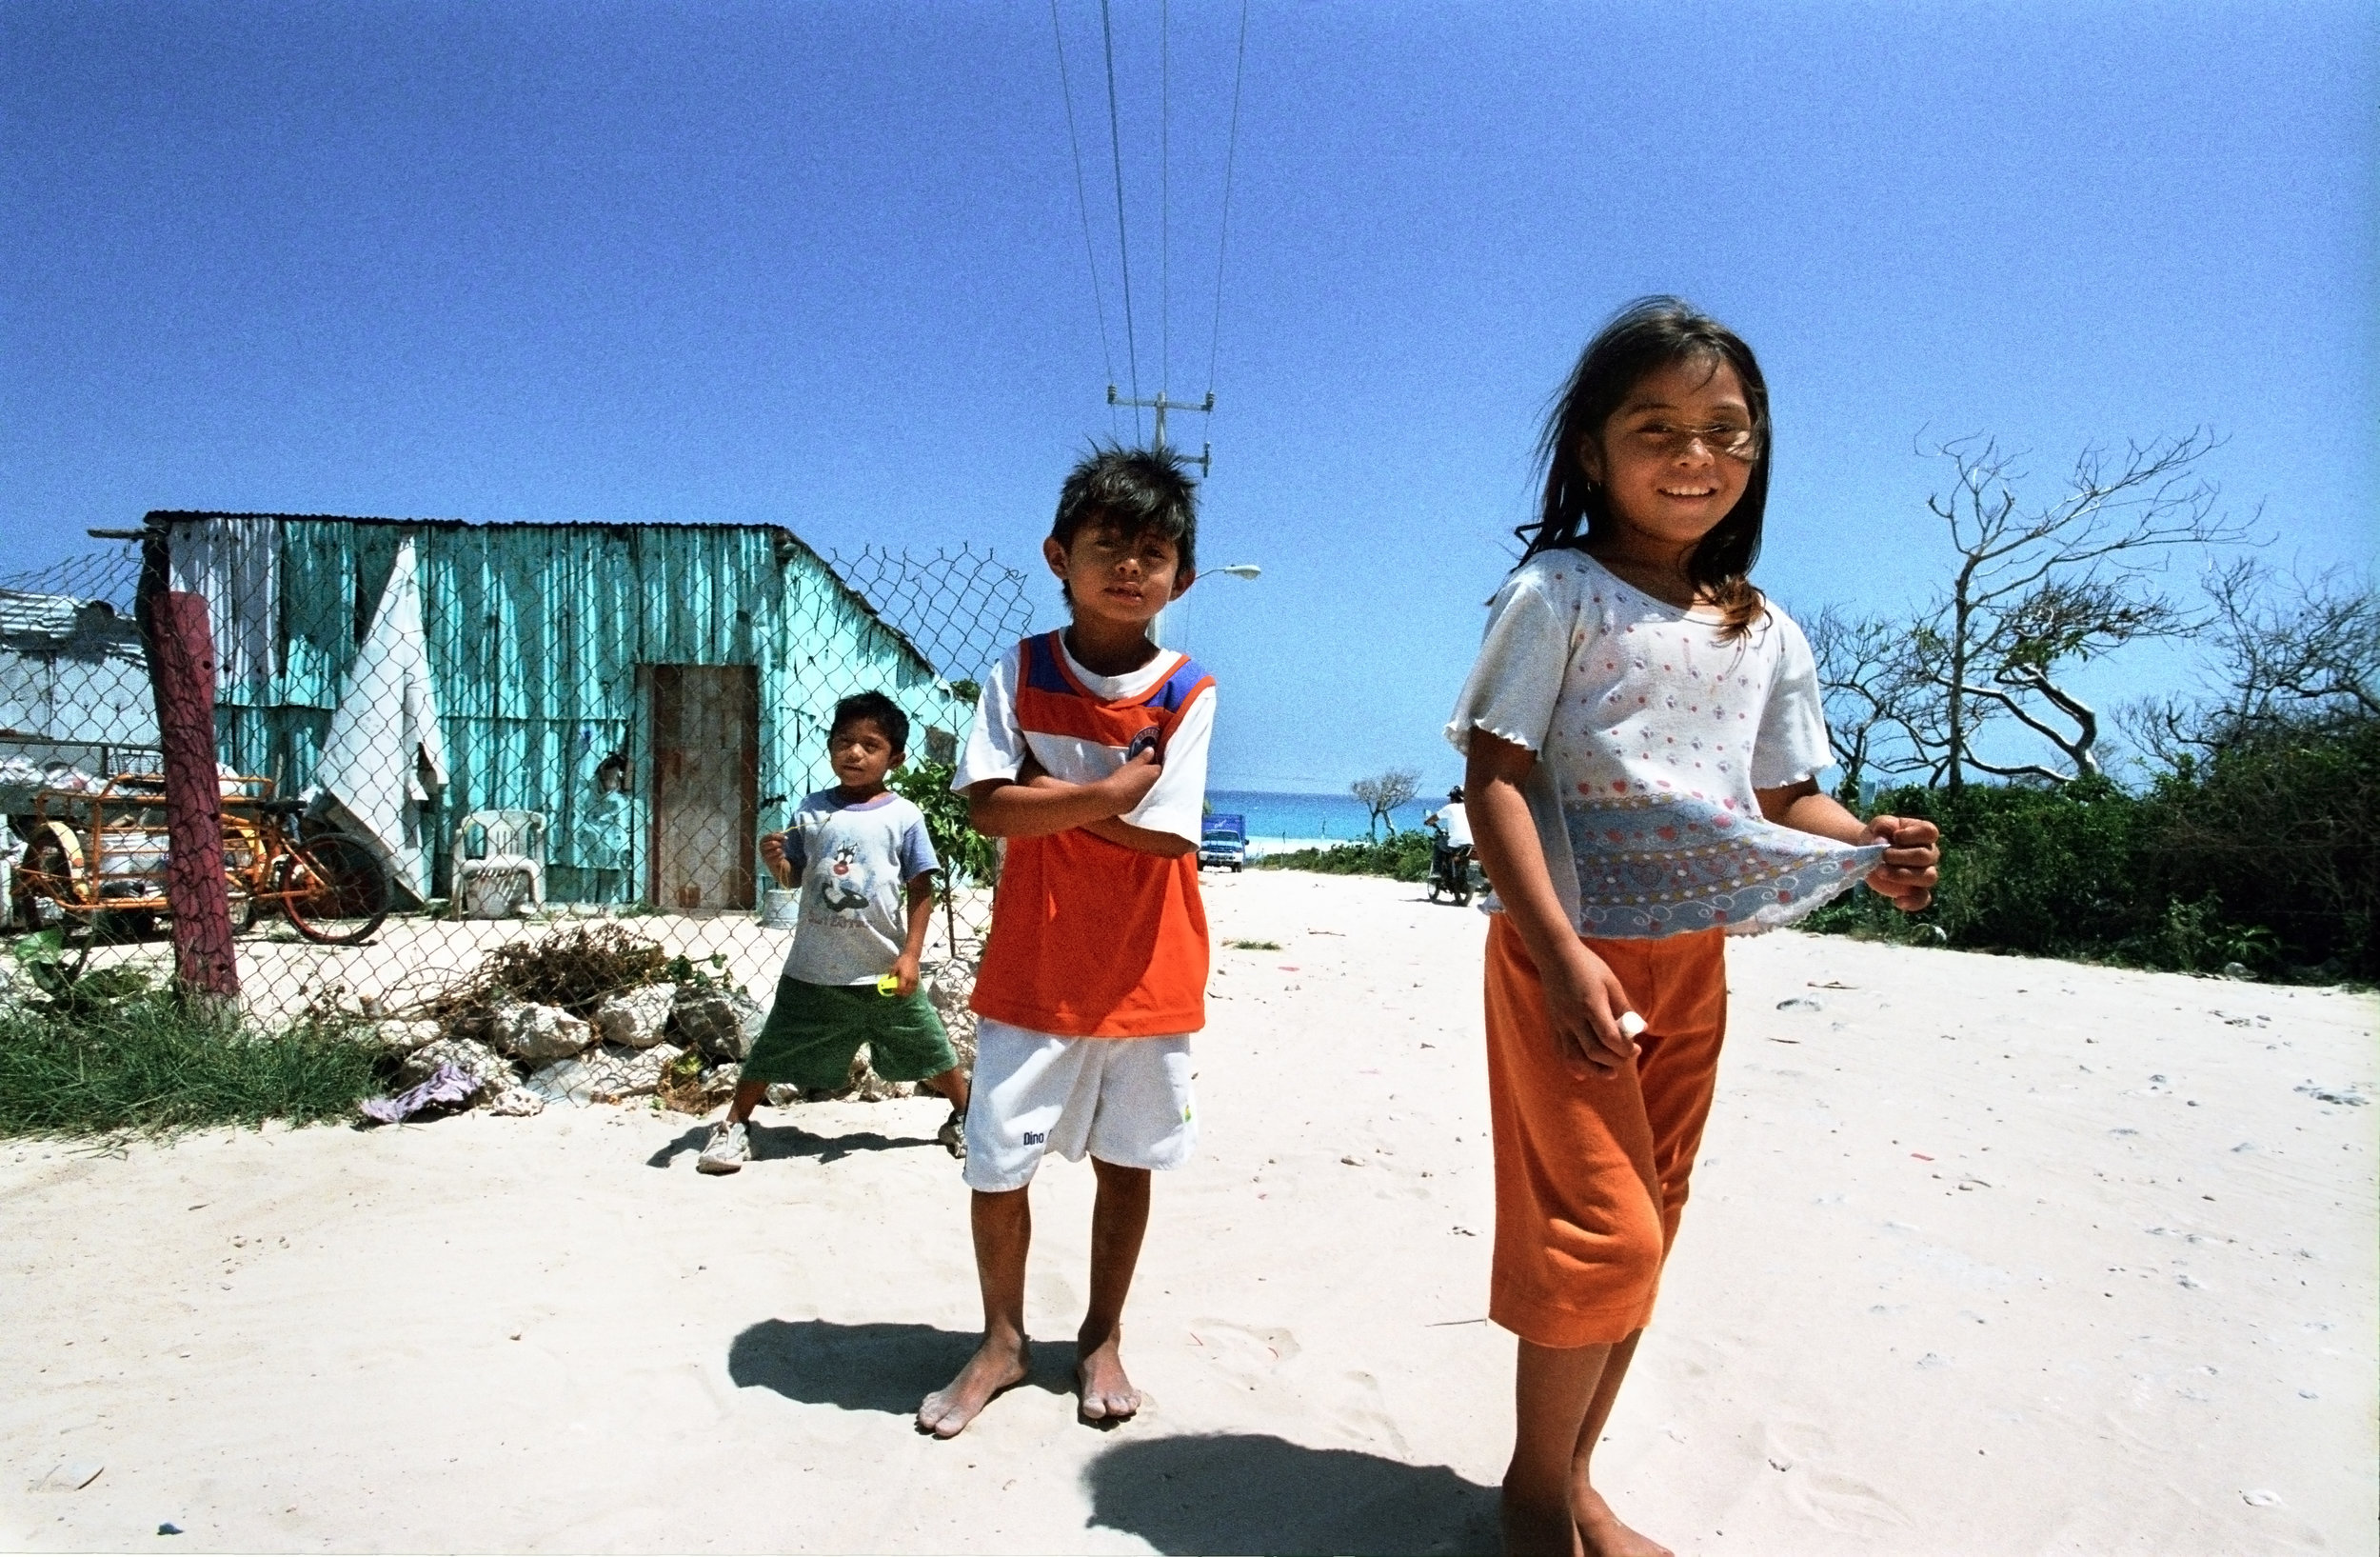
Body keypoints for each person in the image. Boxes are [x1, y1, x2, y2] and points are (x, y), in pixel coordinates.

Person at [1445, 298, 1940, 1557]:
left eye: (1726, 430)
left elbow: (1784, 797)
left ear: (1759, 451)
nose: (1695, 455)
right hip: (1569, 953)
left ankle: (1565, 1479)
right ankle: (1539, 1504)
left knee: (1651, 1224)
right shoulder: (1556, 591)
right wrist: (1557, 952)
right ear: (1592, 452)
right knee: (1597, 1232)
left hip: (1692, 961)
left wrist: (1865, 847)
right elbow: (1495, 774)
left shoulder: (1765, 627)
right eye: (1656, 426)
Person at [916, 445, 1216, 1439]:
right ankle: (1002, 1341)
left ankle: (1100, 1335)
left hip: (1148, 967)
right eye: (1107, 546)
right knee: (996, 1160)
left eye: (1154, 550)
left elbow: (1166, 832)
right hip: (1033, 965)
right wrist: (1107, 791)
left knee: (1128, 1160)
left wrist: (1047, 798)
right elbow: (984, 812)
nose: (1130, 566)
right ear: (1058, 555)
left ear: (1183, 574)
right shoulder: (1023, 669)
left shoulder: (1188, 689)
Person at [697, 691, 969, 1174]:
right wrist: (776, 862)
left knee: (932, 1047)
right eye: (844, 742)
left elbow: (921, 888)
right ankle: (736, 1124)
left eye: (870, 744)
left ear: (897, 758)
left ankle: (967, 1118)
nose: (855, 753)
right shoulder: (812, 810)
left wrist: (910, 956)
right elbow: (796, 878)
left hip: (882, 972)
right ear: (829, 747)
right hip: (813, 970)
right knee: (771, 1049)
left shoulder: (903, 816)